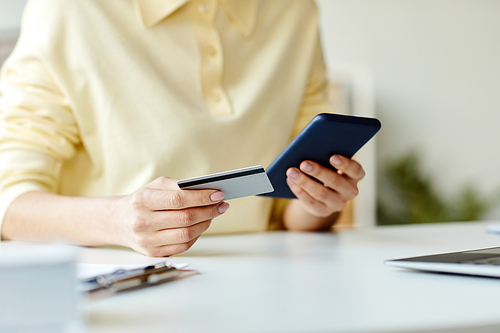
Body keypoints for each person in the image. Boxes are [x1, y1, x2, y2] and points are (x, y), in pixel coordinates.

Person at [0, 0, 365, 257]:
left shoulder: (295, 11)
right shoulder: (69, 10)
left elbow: (291, 211)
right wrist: (117, 221)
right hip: (124, 284)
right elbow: (10, 204)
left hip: (269, 278)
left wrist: (320, 200)